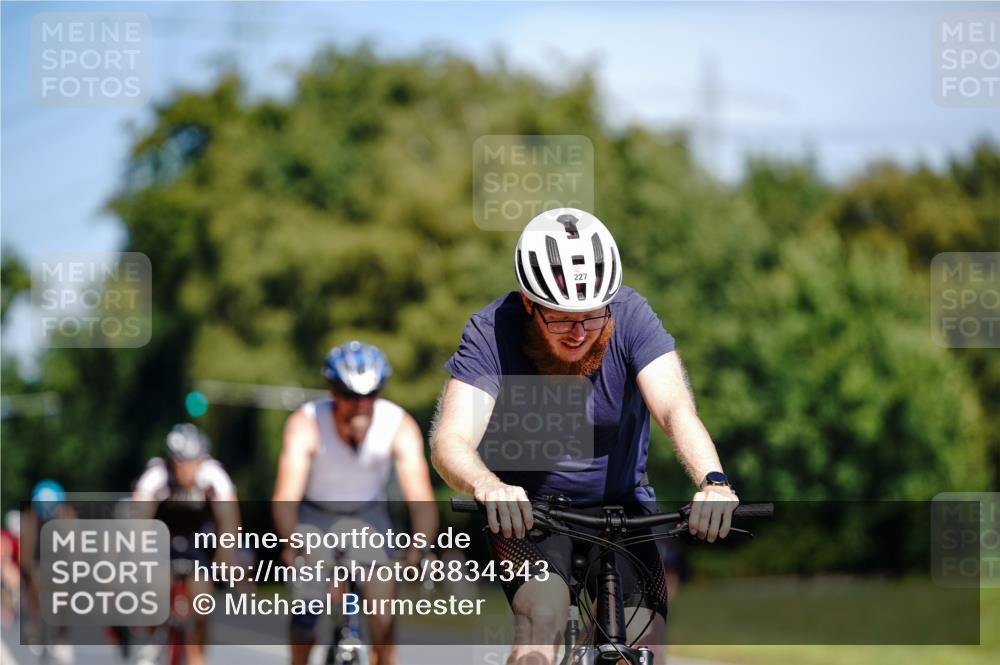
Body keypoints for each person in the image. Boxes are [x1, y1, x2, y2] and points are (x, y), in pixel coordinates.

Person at [430, 208, 740, 665]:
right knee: (543, 615)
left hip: (624, 509)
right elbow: (450, 440)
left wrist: (713, 481)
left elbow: (675, 408)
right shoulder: (492, 330)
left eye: (591, 317)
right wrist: (487, 485)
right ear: (529, 303)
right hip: (530, 514)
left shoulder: (631, 316)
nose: (578, 332)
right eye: (560, 319)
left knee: (643, 634)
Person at [273, 340, 437, 665]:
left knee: (383, 615)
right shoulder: (306, 423)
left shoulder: (398, 424)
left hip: (368, 516)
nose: (360, 405)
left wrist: (418, 549)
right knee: (306, 612)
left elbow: (421, 499)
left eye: (370, 396)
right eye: (349, 396)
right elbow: (285, 498)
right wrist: (292, 544)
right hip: (315, 515)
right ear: (332, 392)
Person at [132, 423, 241, 665]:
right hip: (162, 538)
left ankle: (198, 656)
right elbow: (138, 519)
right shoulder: (156, 475)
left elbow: (229, 520)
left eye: (192, 462)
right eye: (179, 462)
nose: (186, 469)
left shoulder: (213, 475)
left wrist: (225, 557)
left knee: (202, 600)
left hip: (198, 541)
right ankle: (151, 642)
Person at [20, 480, 76, 665]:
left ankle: (61, 635)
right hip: (40, 560)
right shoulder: (31, 517)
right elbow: (26, 555)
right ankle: (36, 622)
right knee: (35, 583)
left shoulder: (67, 516)